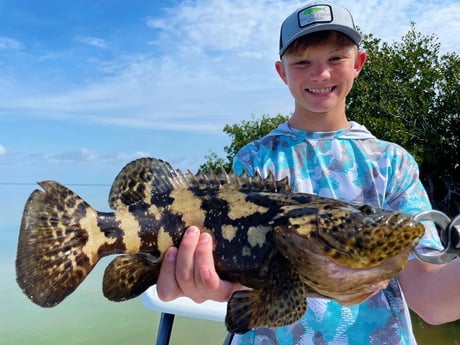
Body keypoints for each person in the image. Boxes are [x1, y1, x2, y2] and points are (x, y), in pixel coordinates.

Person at [156, 2, 460, 344]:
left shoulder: (392, 164)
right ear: (281, 71)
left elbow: (432, 303)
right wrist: (208, 282)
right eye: (302, 62)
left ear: (358, 63)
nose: (321, 74)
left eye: (335, 59)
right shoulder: (256, 159)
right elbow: (246, 281)